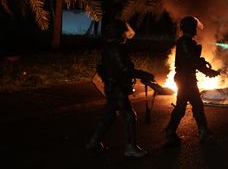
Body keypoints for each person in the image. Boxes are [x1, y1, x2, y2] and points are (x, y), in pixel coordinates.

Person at [86, 19, 156, 157]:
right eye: (124, 32)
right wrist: (143, 74)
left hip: (113, 87)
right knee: (129, 116)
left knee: (109, 116)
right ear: (118, 33)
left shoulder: (110, 47)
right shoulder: (115, 49)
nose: (126, 34)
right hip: (117, 88)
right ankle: (130, 147)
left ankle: (93, 143)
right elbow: (124, 70)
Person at [164, 16, 220, 146]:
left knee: (186, 107)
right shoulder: (185, 42)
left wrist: (203, 64)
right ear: (190, 27)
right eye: (194, 27)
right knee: (193, 106)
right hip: (186, 80)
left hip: (186, 78)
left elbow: (192, 59)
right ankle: (201, 132)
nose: (196, 29)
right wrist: (208, 72)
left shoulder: (186, 41)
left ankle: (171, 130)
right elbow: (192, 60)